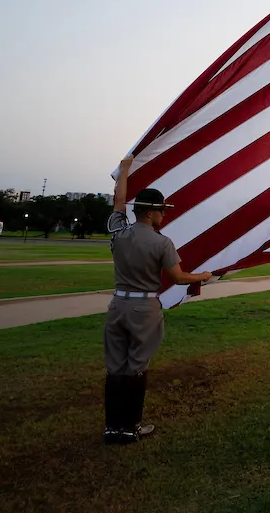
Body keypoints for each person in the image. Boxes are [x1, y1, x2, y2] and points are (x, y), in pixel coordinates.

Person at [102, 156, 212, 445]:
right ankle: (131, 427)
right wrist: (202, 275)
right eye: (161, 211)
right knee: (136, 367)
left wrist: (125, 170)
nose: (164, 216)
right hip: (144, 308)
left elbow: (118, 199)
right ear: (151, 213)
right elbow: (177, 277)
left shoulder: (118, 233)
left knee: (115, 368)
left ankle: (112, 427)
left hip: (118, 305)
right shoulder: (161, 242)